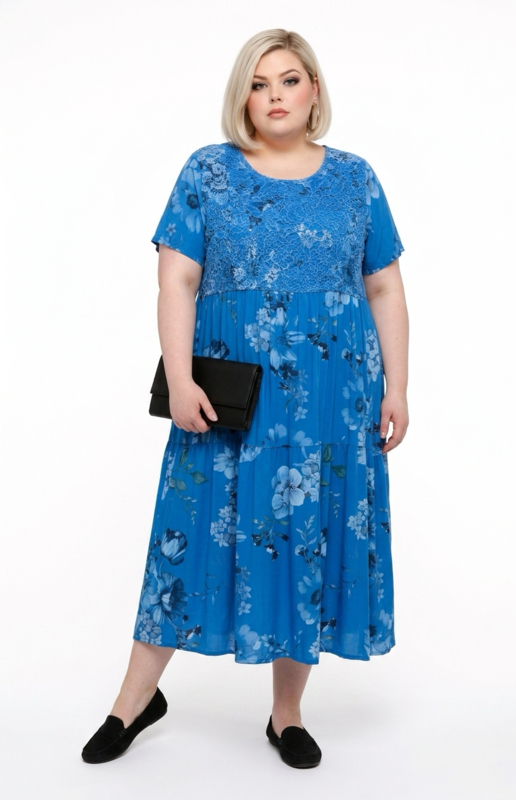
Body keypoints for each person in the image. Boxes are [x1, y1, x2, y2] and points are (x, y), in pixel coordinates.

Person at [81, 28, 409, 770]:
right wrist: (180, 378)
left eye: (288, 80)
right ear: (243, 96)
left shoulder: (355, 178)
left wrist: (397, 385)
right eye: (259, 84)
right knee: (188, 531)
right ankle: (133, 701)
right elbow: (176, 279)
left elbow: (384, 286)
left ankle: (286, 715)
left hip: (332, 399)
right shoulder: (209, 171)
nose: (274, 96)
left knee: (307, 536)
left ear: (314, 90)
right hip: (232, 396)